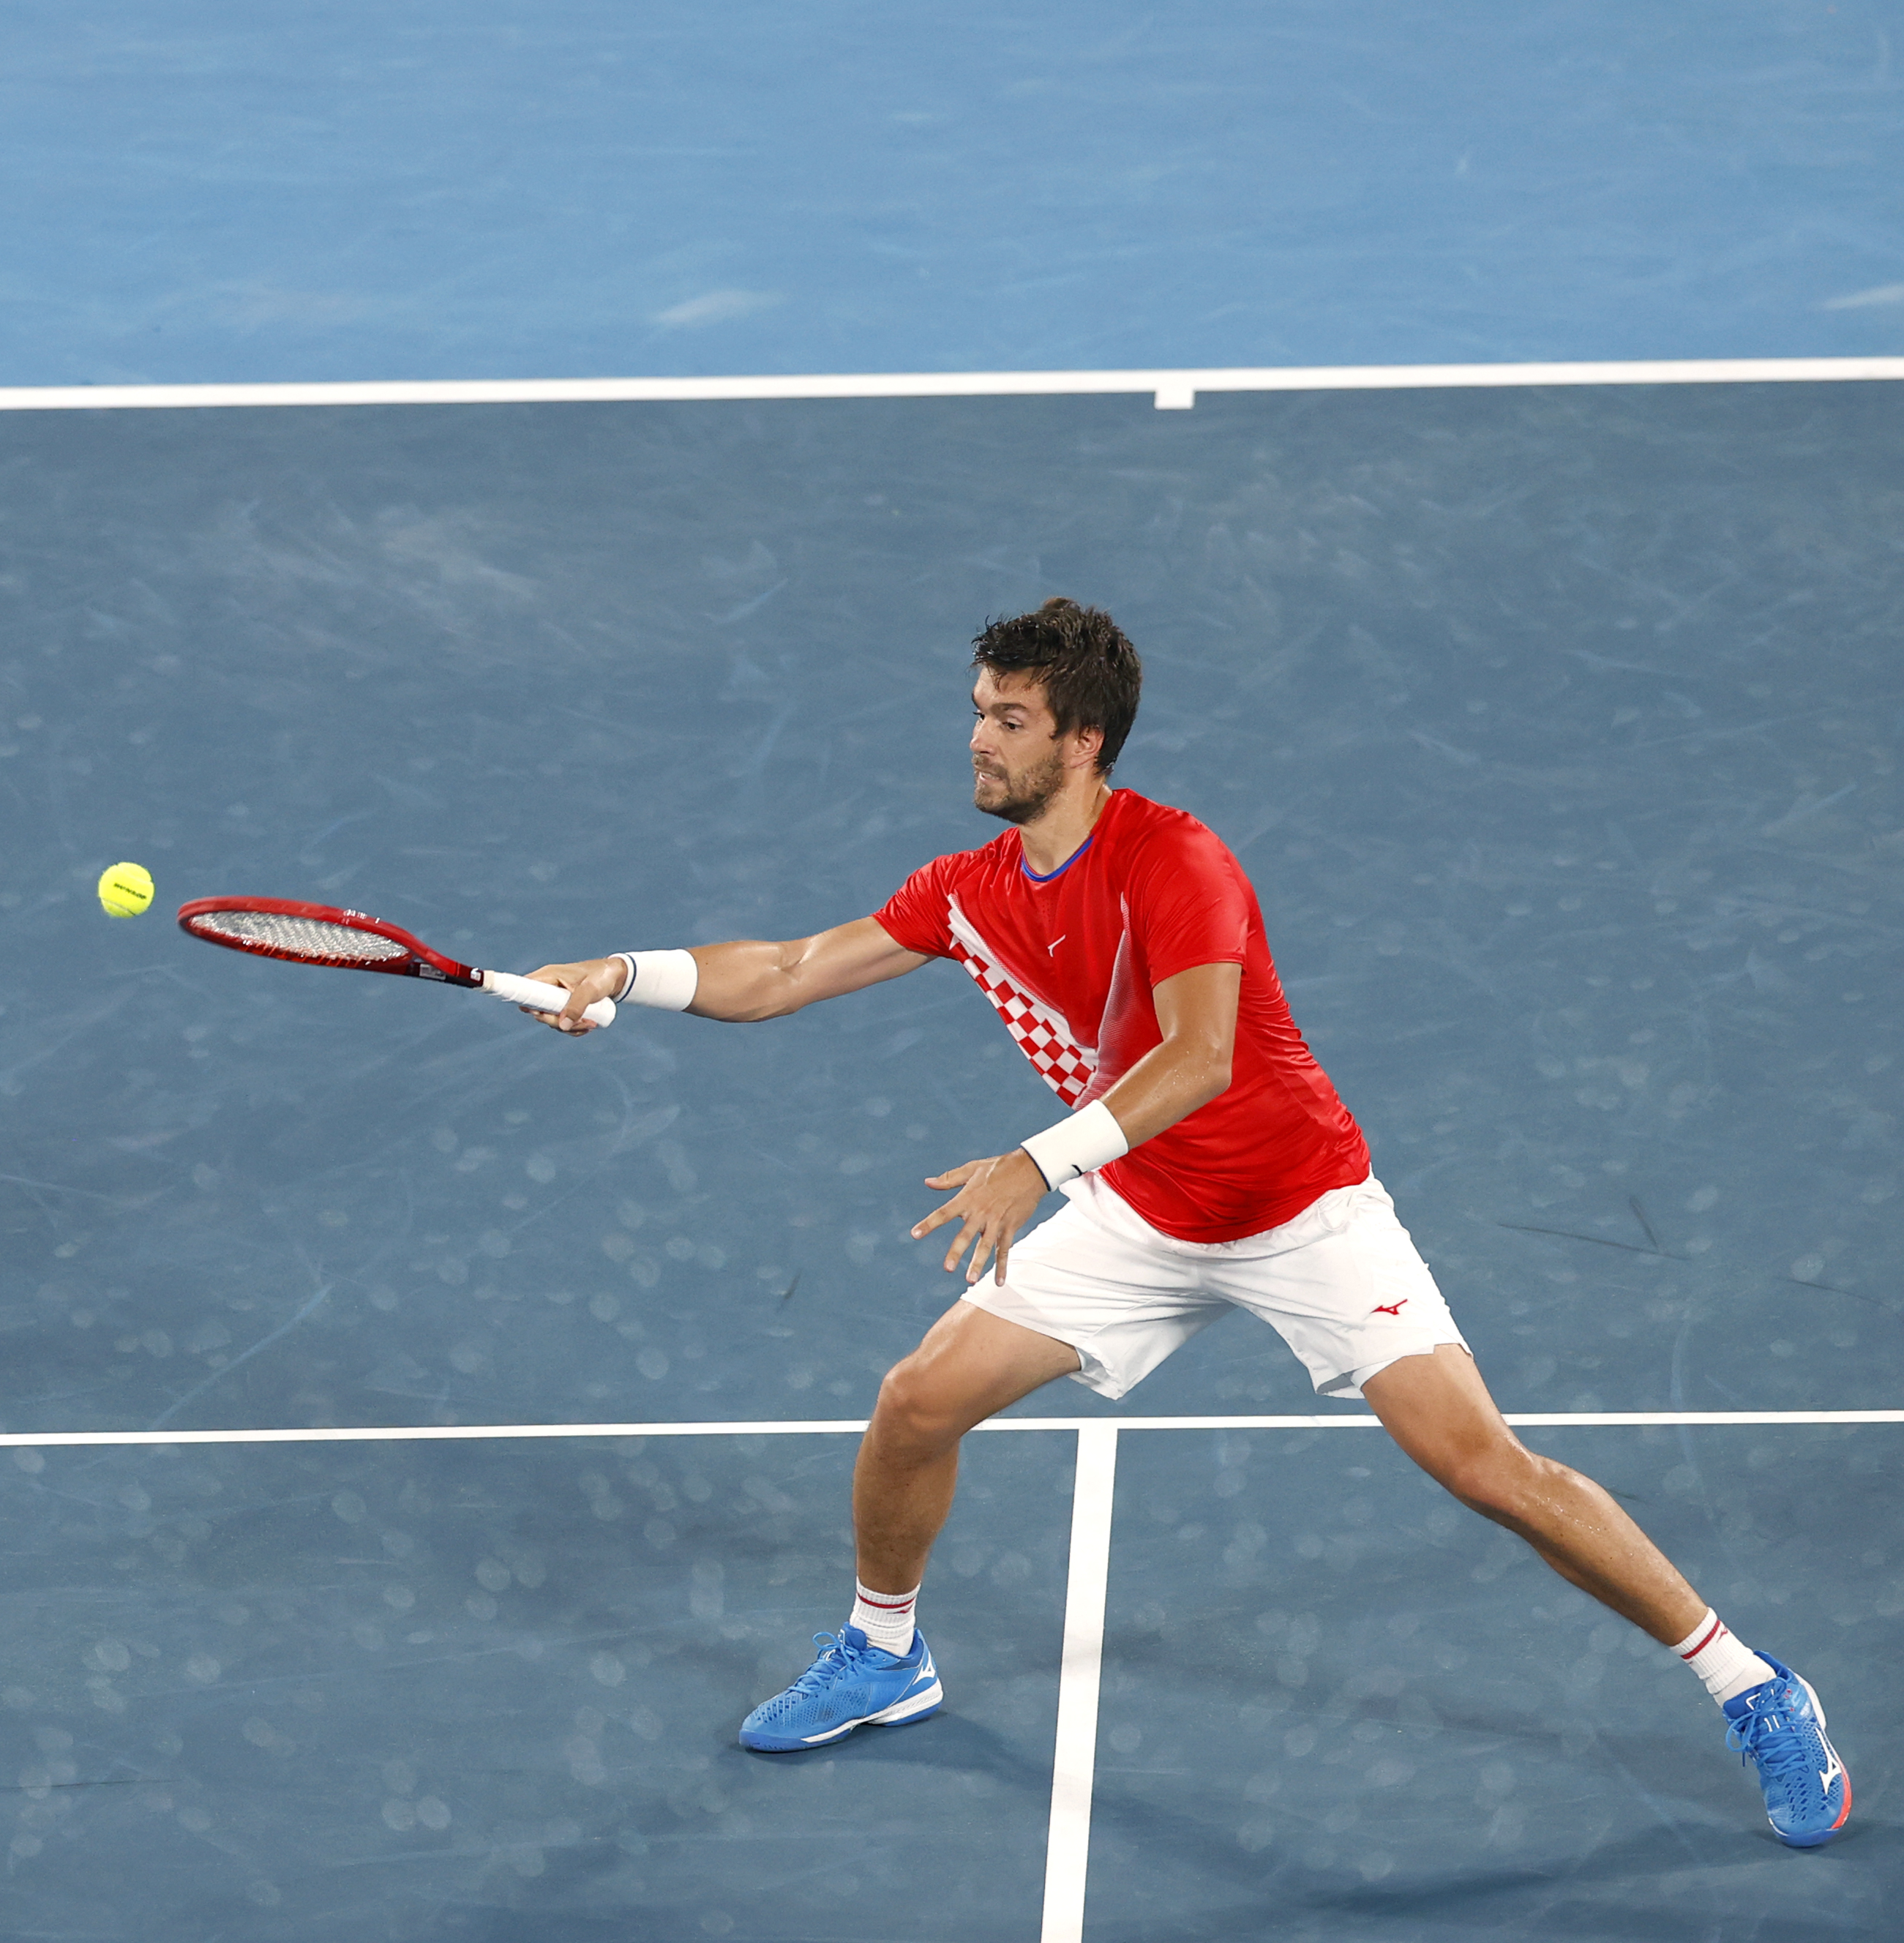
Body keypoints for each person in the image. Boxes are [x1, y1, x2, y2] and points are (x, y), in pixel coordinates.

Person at [522, 599, 1847, 1848]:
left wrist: (1034, 1164)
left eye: (1012, 718)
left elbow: (1199, 1058)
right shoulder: (972, 887)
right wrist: (624, 976)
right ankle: (884, 1652)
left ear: (1082, 740)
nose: (979, 737)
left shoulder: (1177, 860)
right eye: (978, 708)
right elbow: (794, 969)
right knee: (917, 1404)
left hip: (1300, 1211)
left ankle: (1753, 1687)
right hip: (1140, 1214)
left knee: (1487, 1469)